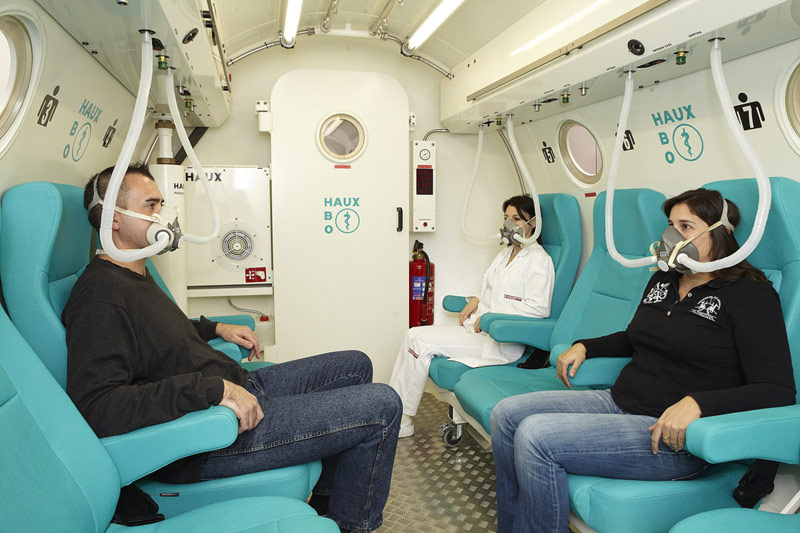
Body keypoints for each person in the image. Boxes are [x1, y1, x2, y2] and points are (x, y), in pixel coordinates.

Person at [63, 163, 402, 533]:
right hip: (208, 435)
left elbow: (160, 334)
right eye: (151, 206)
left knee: (355, 366)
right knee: (382, 405)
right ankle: (354, 527)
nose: (163, 216)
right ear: (113, 218)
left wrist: (215, 327)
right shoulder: (100, 298)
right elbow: (98, 406)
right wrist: (213, 390)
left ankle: (327, 502)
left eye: (161, 205)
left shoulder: (135, 274)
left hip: (235, 386)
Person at [490, 188, 796, 533]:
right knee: (507, 415)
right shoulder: (663, 280)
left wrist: (698, 404)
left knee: (536, 436)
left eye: (685, 226)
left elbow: (778, 390)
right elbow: (635, 337)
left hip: (672, 436)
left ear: (722, 232)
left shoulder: (750, 294)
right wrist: (585, 345)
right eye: (670, 225)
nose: (671, 236)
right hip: (620, 401)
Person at [389, 195, 555, 437]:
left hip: (500, 341)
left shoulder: (539, 260)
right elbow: (492, 290)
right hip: (478, 331)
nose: (509, 223)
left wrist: (491, 317)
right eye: (506, 217)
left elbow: (539, 309)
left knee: (420, 341)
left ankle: (401, 421)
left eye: (516, 218)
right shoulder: (505, 252)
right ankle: (393, 412)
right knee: (413, 334)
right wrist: (476, 299)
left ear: (533, 223)